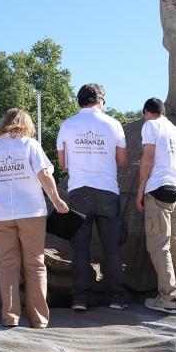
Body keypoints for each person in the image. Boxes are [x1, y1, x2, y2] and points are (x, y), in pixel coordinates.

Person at [0, 108, 68, 328]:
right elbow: (44, 175)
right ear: (26, 123)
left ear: (3, 123)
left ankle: (11, 318)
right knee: (35, 265)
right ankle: (38, 319)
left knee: (7, 266)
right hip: (31, 212)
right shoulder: (29, 145)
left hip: (2, 214)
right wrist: (56, 201)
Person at [56, 83, 128, 311]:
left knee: (80, 248)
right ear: (100, 100)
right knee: (112, 248)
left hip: (79, 191)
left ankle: (80, 299)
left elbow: (61, 163)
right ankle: (116, 299)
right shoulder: (114, 124)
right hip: (107, 190)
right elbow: (122, 160)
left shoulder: (67, 125)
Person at [136, 97, 176, 313]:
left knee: (159, 245)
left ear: (146, 112)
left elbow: (148, 158)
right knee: (175, 244)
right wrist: (175, 181)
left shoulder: (150, 125)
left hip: (158, 189)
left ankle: (168, 298)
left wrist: (141, 188)